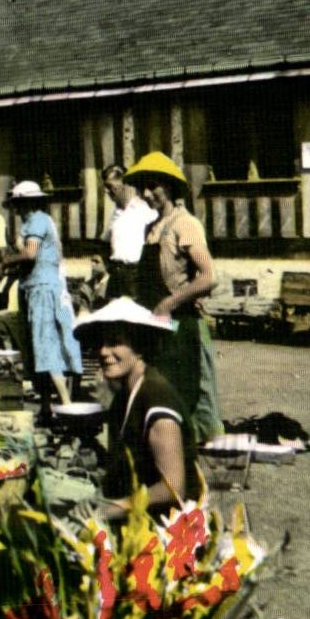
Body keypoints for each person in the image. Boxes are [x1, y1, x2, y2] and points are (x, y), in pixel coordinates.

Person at [124, 152, 224, 444]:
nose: (146, 193)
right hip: (155, 324)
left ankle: (191, 467)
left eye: (152, 186)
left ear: (168, 187)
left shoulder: (185, 224)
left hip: (181, 324)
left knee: (189, 392)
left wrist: (170, 302)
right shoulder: (150, 229)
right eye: (142, 187)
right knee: (158, 390)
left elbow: (208, 277)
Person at [75, 298, 200, 515]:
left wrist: (112, 509)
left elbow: (172, 488)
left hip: (170, 527)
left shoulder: (157, 402)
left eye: (114, 342)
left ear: (140, 346)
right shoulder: (125, 395)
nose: (103, 351)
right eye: (100, 343)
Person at [1, 180, 83, 416]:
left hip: (43, 289)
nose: (16, 209)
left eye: (17, 204)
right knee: (40, 345)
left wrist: (5, 261)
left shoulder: (37, 220)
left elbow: (29, 254)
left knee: (45, 343)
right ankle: (48, 405)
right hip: (38, 285)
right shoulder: (36, 221)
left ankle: (65, 402)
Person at [102, 164, 159, 301]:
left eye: (110, 186)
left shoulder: (144, 210)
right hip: (115, 274)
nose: (107, 191)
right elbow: (105, 242)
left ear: (124, 183)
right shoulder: (116, 213)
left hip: (134, 275)